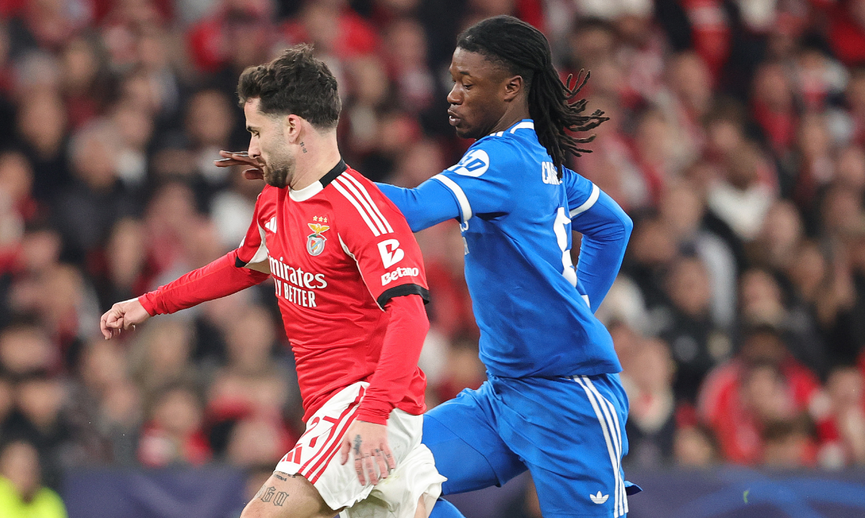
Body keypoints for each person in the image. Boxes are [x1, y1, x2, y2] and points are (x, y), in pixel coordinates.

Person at [100, 45, 445, 518]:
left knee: (261, 515)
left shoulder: (363, 212)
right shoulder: (274, 199)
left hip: (365, 402)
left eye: (257, 132)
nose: (254, 149)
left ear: (293, 126)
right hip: (332, 410)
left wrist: (373, 413)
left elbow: (411, 317)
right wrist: (150, 302)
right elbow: (244, 265)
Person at [376, 16, 637, 518]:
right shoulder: (542, 160)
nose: (452, 94)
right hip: (503, 397)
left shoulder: (502, 159)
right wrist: (579, 306)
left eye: (467, 83)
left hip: (568, 402)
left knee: (383, 481)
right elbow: (613, 226)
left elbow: (407, 209)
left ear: (512, 87)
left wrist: (319, 176)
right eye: (453, 80)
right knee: (383, 481)